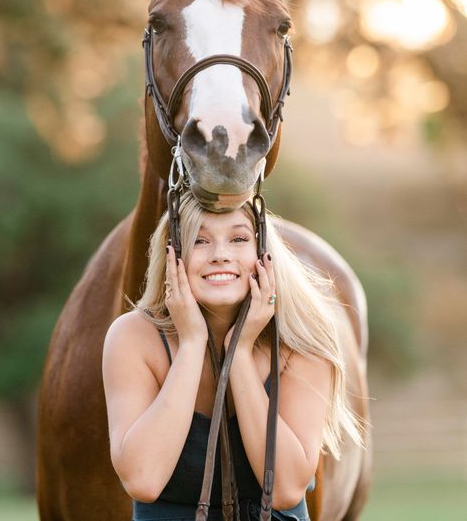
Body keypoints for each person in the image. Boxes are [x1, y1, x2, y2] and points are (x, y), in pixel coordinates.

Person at [102, 192, 363, 521]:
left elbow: (284, 489)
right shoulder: (132, 337)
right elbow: (143, 479)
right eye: (199, 241)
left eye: (239, 238)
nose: (220, 255)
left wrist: (238, 352)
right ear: (173, 256)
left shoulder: (305, 341)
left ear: (264, 253)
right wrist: (193, 343)